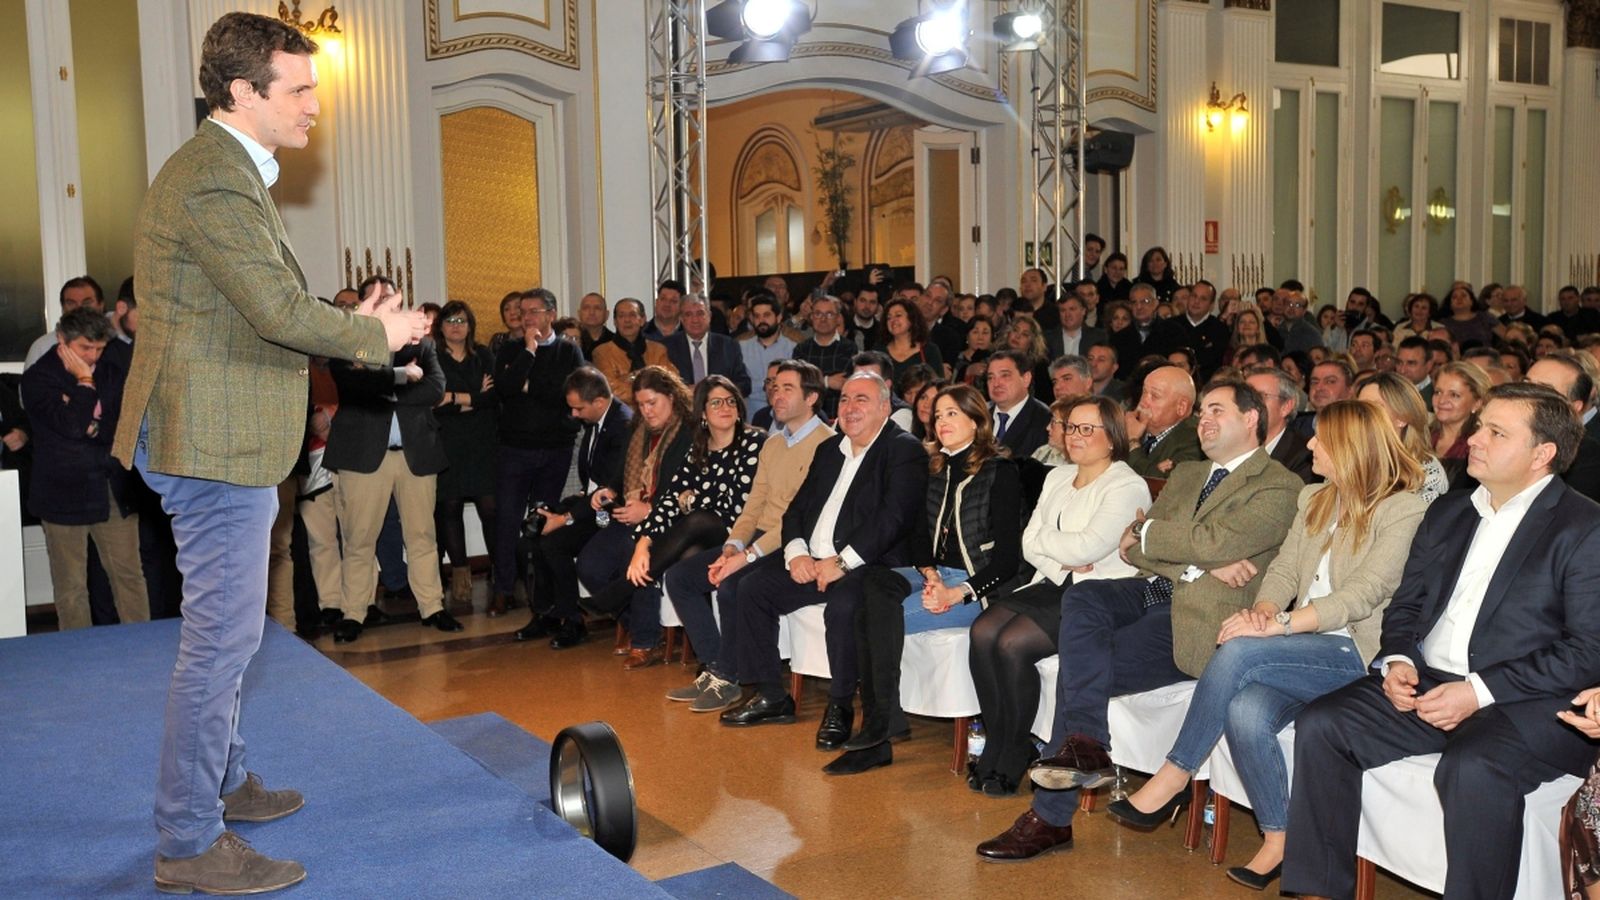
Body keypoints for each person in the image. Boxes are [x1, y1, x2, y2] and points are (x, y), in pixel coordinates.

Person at [111, 13, 428, 894]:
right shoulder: (212, 179)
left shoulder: (228, 173)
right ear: (244, 92)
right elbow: (278, 315)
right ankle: (186, 838)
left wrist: (354, 312)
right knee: (220, 642)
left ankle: (222, 781)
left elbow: (261, 300)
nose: (317, 107)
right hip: (210, 440)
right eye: (300, 89)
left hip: (219, 431)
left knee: (232, 634)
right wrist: (374, 329)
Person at [1283, 383, 1600, 900]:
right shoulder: (1450, 511)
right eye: (1479, 426)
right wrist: (1399, 660)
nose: (1475, 439)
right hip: (1430, 679)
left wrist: (1478, 691)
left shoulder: (1584, 527)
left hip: (1528, 702)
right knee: (1323, 724)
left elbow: (1587, 651)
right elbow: (1406, 606)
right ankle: (1321, 890)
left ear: (1542, 454)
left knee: (1473, 766)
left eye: (1496, 433)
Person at [1105, 400, 1427, 891]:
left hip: (1354, 651)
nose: (1311, 444)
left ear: (1351, 447)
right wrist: (1261, 611)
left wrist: (1276, 626)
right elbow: (1282, 569)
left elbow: (1364, 594)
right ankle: (1279, 838)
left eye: (1321, 438)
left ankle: (1175, 775)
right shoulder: (1315, 497)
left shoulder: (1404, 508)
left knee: (1238, 652)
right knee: (1246, 710)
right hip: (1302, 641)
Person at [977, 379, 1301, 862]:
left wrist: (1177, 547)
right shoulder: (1190, 473)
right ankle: (1086, 748)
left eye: (1217, 410)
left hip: (1199, 617)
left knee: (1080, 666)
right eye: (1203, 412)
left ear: (1252, 418)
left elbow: (1213, 542)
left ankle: (1051, 815)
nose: (1204, 420)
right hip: (1151, 589)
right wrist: (1197, 561)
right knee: (1084, 597)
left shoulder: (1280, 484)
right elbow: (1133, 543)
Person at [720, 372, 928, 751]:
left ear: (885, 407)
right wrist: (797, 553)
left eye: (861, 399)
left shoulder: (903, 450)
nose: (850, 407)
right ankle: (771, 694)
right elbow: (797, 509)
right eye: (845, 399)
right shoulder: (830, 449)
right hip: (813, 558)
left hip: (869, 563)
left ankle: (841, 705)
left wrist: (842, 563)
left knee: (844, 606)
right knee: (749, 587)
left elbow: (893, 519)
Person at [825, 384, 1023, 776]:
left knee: (870, 615)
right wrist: (930, 573)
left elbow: (1007, 562)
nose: (943, 421)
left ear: (976, 419)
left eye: (953, 413)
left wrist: (955, 593)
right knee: (870, 585)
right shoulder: (935, 468)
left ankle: (879, 730)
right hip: (932, 576)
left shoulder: (1001, 472)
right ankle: (882, 723)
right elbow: (917, 536)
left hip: (978, 586)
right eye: (938, 415)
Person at [966, 394, 1149, 795]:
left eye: (1088, 429)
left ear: (1113, 437)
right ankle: (997, 741)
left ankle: (1015, 752)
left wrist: (1056, 547)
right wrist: (1059, 557)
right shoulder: (1056, 476)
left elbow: (1088, 548)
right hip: (1052, 581)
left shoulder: (1126, 485)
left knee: (1013, 644)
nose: (1075, 436)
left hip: (1096, 594)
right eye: (1070, 427)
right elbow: (1028, 542)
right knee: (982, 632)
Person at [662, 360, 834, 711]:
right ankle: (718, 670)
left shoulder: (825, 446)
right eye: (774, 387)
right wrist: (731, 547)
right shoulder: (774, 444)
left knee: (732, 585)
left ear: (812, 396)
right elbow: (754, 505)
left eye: (788, 388)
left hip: (794, 542)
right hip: (758, 537)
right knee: (680, 577)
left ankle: (730, 676)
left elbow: (794, 519)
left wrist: (748, 554)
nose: (776, 394)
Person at [593, 376, 765, 669]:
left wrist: (691, 499)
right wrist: (643, 544)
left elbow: (733, 503)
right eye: (716, 402)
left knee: (698, 518)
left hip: (746, 531)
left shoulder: (755, 442)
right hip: (706, 534)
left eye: (730, 401)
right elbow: (670, 500)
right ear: (702, 412)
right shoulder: (698, 449)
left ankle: (619, 591)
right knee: (685, 560)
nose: (725, 407)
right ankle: (713, 658)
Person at [23, 307, 149, 629]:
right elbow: (71, 426)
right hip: (61, 493)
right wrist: (83, 381)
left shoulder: (111, 370)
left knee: (129, 576)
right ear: (62, 339)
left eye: (99, 348)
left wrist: (89, 424)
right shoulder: (39, 377)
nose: (93, 356)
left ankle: (142, 648)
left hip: (111, 487)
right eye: (85, 348)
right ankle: (77, 661)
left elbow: (122, 426)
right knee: (71, 588)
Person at [574, 366, 694, 654]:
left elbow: (687, 486)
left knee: (633, 557)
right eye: (640, 404)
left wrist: (651, 509)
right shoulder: (637, 430)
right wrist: (609, 491)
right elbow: (619, 475)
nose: (647, 411)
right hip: (631, 515)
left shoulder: (689, 432)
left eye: (652, 403)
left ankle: (644, 640)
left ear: (672, 396)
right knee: (589, 565)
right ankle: (634, 622)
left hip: (672, 521)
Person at [517, 366, 632, 648]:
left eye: (578, 408)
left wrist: (566, 518)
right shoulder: (596, 420)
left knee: (554, 543)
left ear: (600, 403)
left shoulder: (623, 426)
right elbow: (592, 481)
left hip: (611, 510)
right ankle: (548, 614)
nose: (574, 414)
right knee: (528, 541)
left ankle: (573, 621)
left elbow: (611, 489)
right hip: (589, 500)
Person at [490, 288, 582, 616]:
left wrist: (528, 386)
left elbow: (567, 393)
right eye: (523, 311)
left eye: (534, 311)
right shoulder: (510, 348)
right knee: (507, 520)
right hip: (514, 450)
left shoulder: (569, 351)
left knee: (542, 523)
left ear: (551, 314)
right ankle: (503, 589)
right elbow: (505, 388)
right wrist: (528, 353)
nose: (527, 317)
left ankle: (542, 593)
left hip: (554, 450)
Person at [430, 300, 497, 610]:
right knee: (450, 509)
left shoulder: (483, 355)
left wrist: (453, 398)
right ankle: (461, 579)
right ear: (440, 326)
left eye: (462, 320)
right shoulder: (431, 356)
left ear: (470, 325)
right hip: (446, 442)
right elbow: (431, 399)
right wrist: (473, 397)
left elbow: (494, 398)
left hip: (482, 443)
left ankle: (501, 575)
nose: (456, 325)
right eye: (450, 320)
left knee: (490, 509)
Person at [591, 297, 672, 406]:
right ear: (615, 321)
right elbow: (610, 390)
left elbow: (670, 383)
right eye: (621, 316)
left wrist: (628, 379)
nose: (627, 320)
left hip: (657, 411)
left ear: (642, 320)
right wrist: (651, 390)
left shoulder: (658, 350)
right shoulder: (602, 352)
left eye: (632, 315)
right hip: (621, 414)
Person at [1124, 364, 1202, 478]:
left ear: (1181, 407)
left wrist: (1132, 442)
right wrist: (1152, 469)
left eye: (1155, 396)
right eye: (1144, 392)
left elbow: (1166, 484)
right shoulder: (1128, 424)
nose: (1143, 402)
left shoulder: (1195, 440)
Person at [664, 296, 753, 395]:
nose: (695, 320)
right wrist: (683, 391)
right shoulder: (666, 347)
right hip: (683, 407)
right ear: (681, 319)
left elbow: (744, 384)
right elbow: (660, 385)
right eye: (688, 314)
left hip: (719, 405)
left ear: (709, 316)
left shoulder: (728, 345)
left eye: (700, 313)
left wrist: (719, 391)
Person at [1245, 365, 1316, 483]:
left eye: (1259, 397)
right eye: (1243, 398)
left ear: (1286, 407)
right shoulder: (1230, 447)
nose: (1247, 404)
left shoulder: (1305, 456)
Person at [1431, 359, 1489, 484]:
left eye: (1454, 395)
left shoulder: (1480, 446)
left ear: (1477, 403)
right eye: (1438, 392)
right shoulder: (1420, 436)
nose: (1441, 400)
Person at [986, 350, 1052, 459]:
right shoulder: (977, 415)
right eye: (990, 377)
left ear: (1026, 379)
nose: (996, 383)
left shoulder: (1044, 420)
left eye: (1005, 376)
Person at [882, 297, 945, 382]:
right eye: (889, 318)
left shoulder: (930, 351)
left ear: (911, 319)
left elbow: (938, 386)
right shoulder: (879, 351)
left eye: (898, 315)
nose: (893, 320)